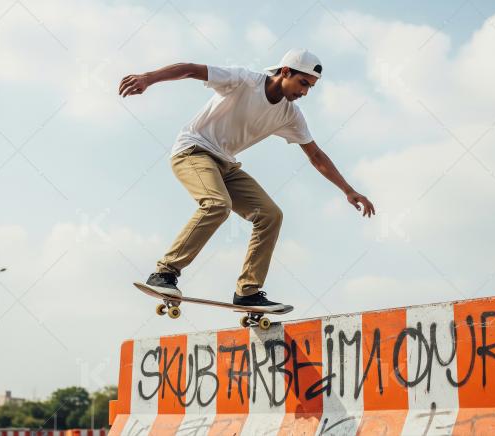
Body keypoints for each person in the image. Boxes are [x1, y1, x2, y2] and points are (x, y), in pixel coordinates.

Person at [118, 48, 375, 311]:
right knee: (218, 205)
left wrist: (348, 190)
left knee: (270, 215)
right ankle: (165, 273)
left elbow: (316, 154)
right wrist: (148, 78)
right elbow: (191, 68)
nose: (305, 93)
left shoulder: (290, 115)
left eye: (310, 87)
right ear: (285, 72)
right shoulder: (243, 80)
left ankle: (248, 292)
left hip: (226, 165)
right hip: (193, 151)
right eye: (303, 83)